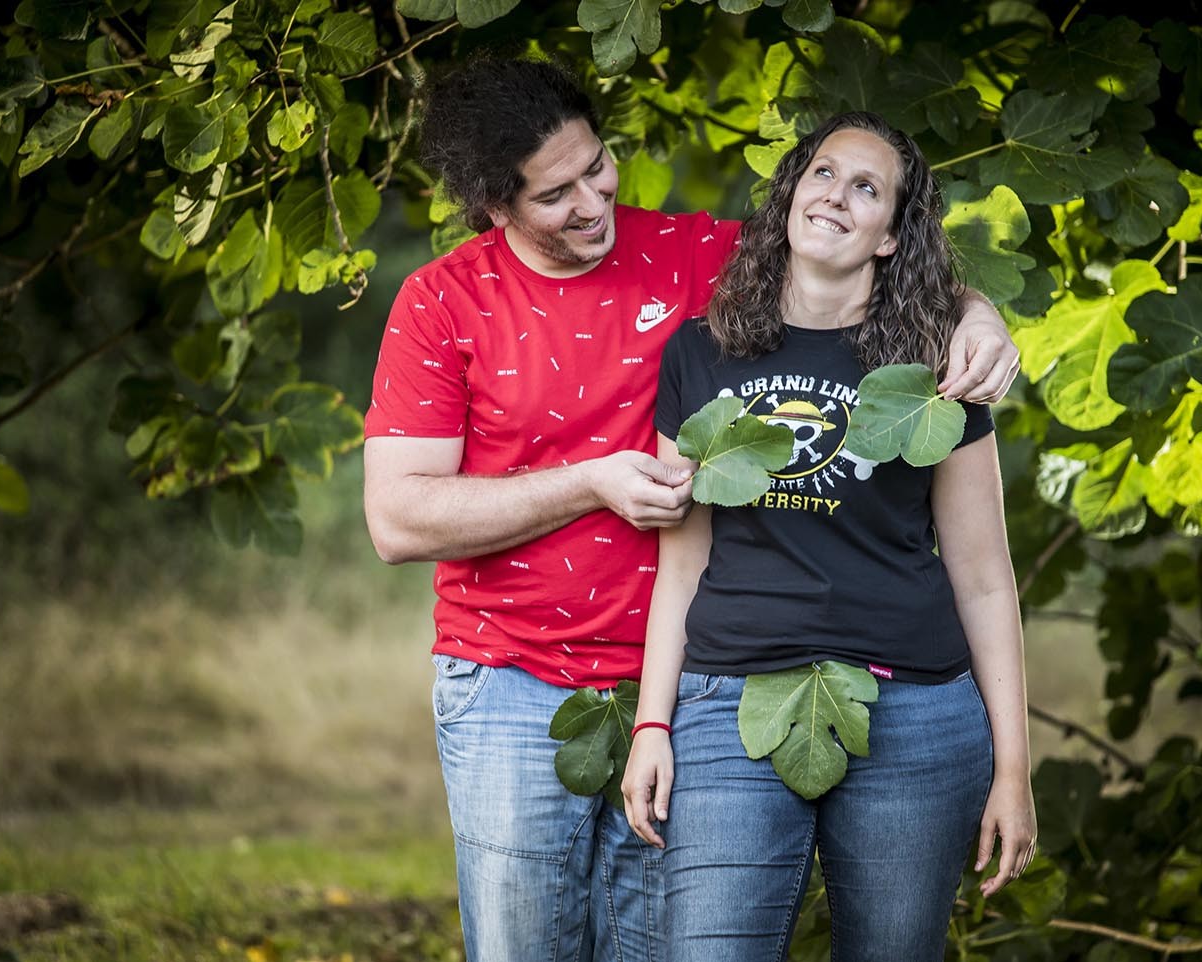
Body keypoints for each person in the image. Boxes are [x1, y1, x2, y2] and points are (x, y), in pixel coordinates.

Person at [361, 55, 1022, 962]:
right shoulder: (441, 302)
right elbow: (398, 520)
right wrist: (594, 480)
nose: (593, 203)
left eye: (597, 168)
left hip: (688, 686)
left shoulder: (691, 255)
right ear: (494, 207)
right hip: (513, 675)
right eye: (556, 196)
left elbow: (850, 256)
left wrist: (977, 314)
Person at [621, 111, 1037, 962]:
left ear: (891, 236)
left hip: (914, 712)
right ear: (789, 197)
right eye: (822, 173)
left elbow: (985, 577)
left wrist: (1015, 770)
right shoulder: (700, 353)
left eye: (866, 187)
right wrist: (651, 726)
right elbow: (682, 564)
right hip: (729, 701)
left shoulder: (937, 372)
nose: (837, 196)